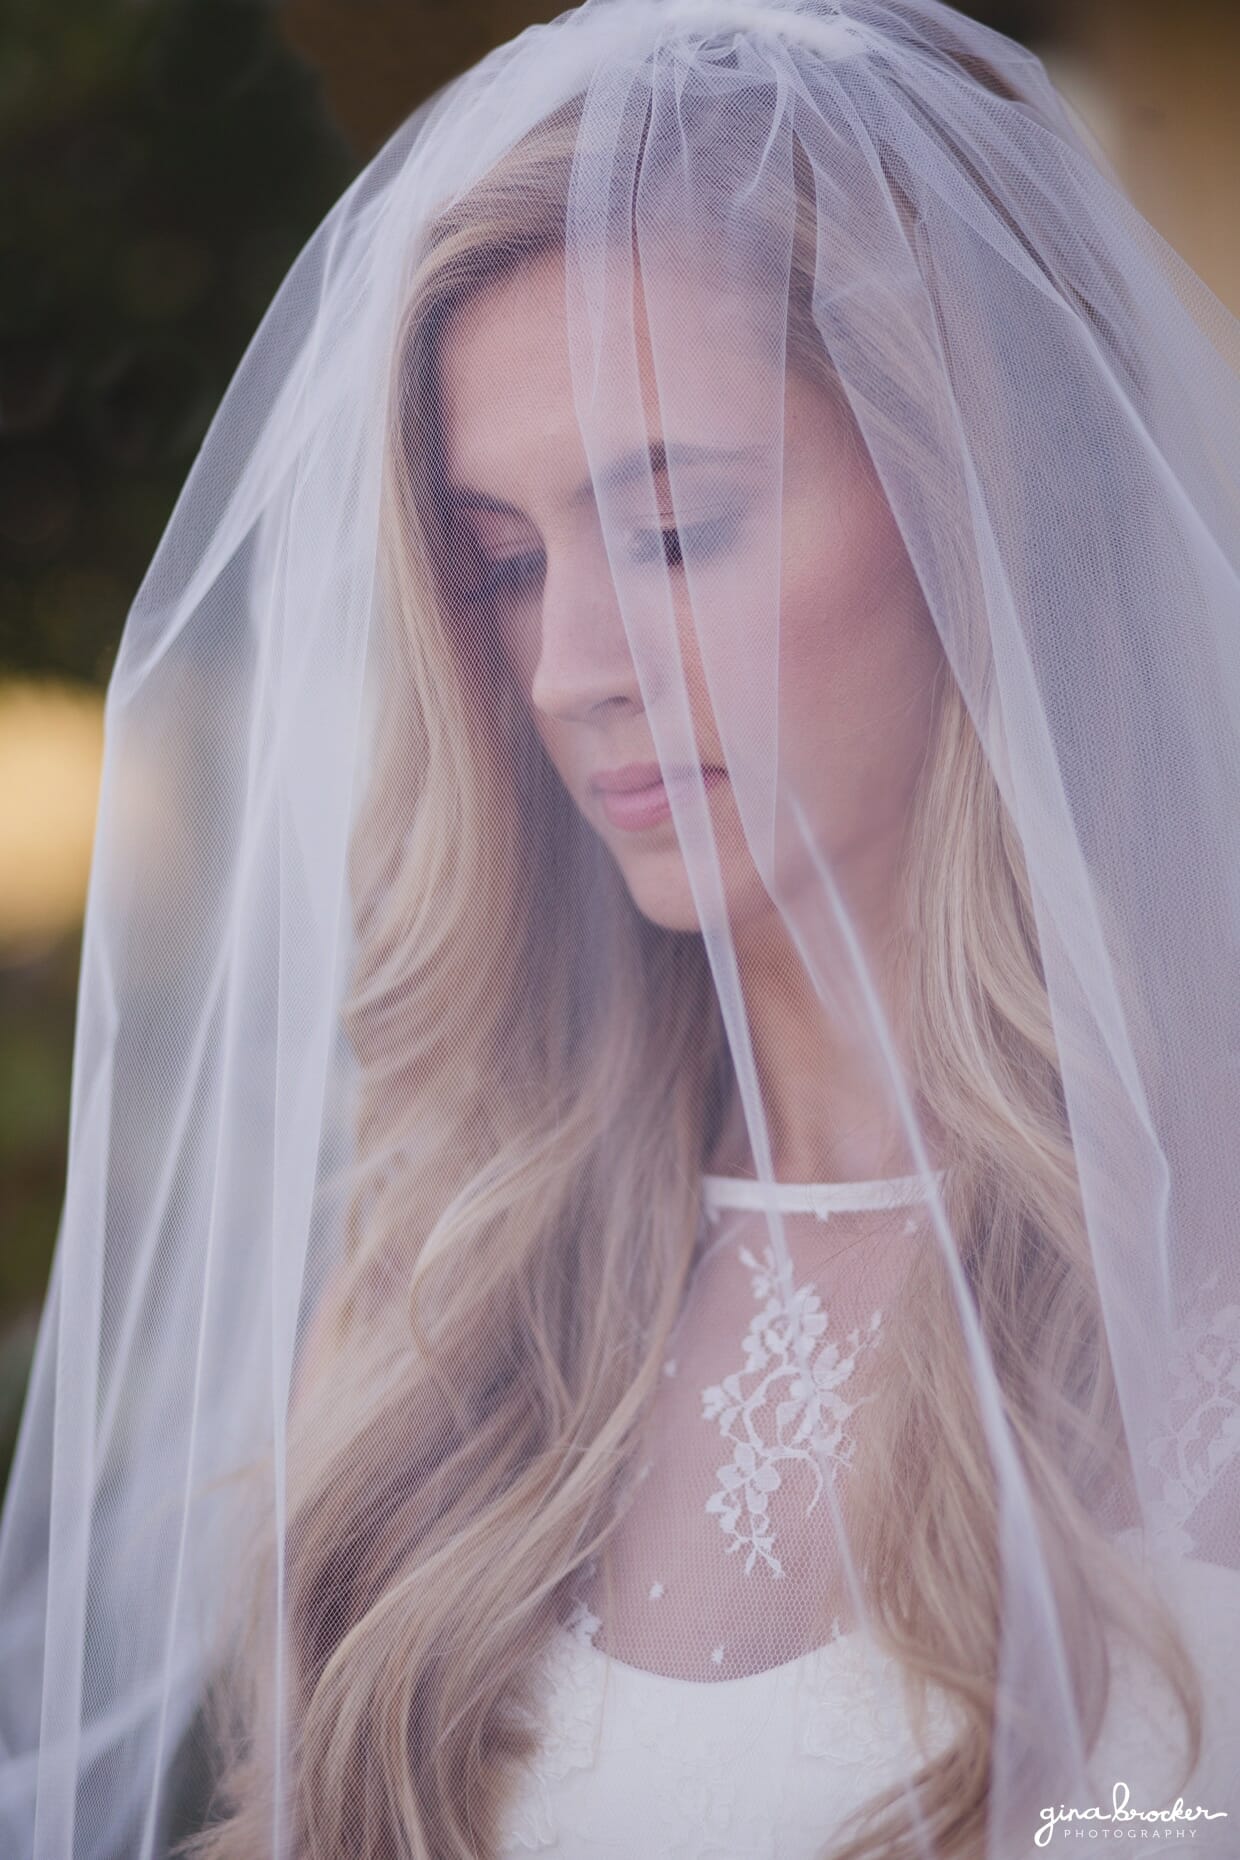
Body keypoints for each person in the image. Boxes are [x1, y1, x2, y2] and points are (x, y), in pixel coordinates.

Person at [2, 1, 1239, 1855]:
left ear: (975, 499)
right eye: (505, 566)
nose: (571, 672)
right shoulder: (458, 1287)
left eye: (675, 528)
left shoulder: (1202, 1252)